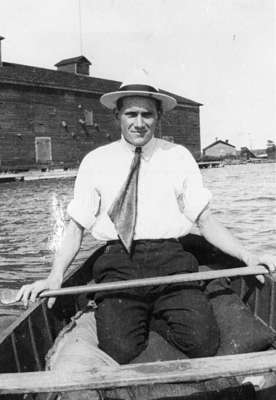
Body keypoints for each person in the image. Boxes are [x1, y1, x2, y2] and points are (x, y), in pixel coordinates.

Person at [16, 70, 276, 366]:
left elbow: (205, 221)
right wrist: (55, 276)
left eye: (147, 115)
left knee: (203, 343)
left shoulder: (178, 157)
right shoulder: (95, 161)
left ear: (158, 117)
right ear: (117, 116)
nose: (139, 123)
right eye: (131, 114)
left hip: (172, 260)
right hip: (117, 264)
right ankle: (139, 317)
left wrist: (248, 254)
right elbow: (75, 229)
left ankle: (156, 314)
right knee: (120, 349)